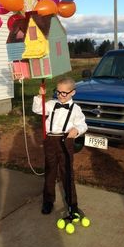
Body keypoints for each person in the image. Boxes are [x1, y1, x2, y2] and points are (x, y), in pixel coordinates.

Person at [32, 76, 87, 215]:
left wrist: (77, 130)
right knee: (50, 171)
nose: (61, 95)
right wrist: (40, 95)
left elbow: (83, 124)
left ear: (72, 92)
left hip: (65, 141)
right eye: (58, 92)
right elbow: (37, 109)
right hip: (50, 140)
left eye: (64, 93)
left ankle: (72, 204)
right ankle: (48, 201)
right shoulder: (51, 104)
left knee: (67, 173)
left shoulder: (76, 109)